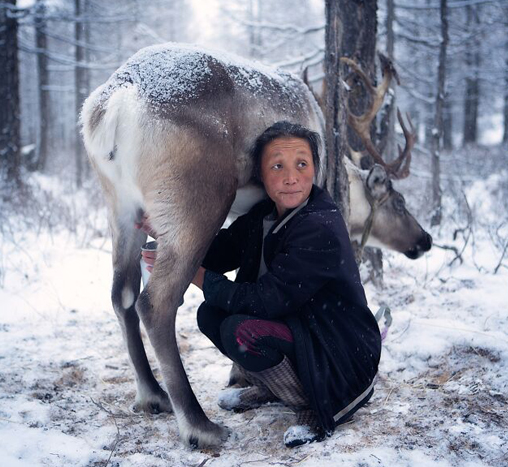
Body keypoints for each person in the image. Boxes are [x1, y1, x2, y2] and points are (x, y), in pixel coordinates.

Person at [140, 121, 381, 447]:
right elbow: (220, 251)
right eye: (277, 166)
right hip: (302, 330)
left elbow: (267, 300)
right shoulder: (266, 214)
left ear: (315, 169)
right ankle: (275, 387)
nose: (291, 177)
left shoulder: (319, 226)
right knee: (210, 315)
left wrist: (192, 274)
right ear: (260, 175)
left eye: (301, 164)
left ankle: (311, 404)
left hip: (339, 359)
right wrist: (169, 237)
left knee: (242, 331)